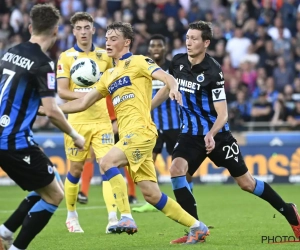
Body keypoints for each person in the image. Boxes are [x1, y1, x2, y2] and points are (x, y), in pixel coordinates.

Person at [41, 21, 211, 244]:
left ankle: (126, 217)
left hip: (141, 132)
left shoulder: (139, 61)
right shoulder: (109, 74)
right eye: (107, 38)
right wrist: (50, 110)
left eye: (113, 38)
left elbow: (167, 77)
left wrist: (175, 87)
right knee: (151, 194)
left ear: (126, 42)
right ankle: (197, 227)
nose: (107, 42)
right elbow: (83, 103)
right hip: (131, 136)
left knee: (107, 162)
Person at [151, 20, 300, 244]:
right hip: (190, 135)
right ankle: (196, 228)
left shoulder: (213, 71)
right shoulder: (178, 62)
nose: (188, 42)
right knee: (177, 170)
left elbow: (223, 114)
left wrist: (211, 133)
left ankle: (289, 211)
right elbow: (167, 88)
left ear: (206, 43)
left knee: (246, 184)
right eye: (187, 37)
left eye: (194, 39)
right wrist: (148, 108)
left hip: (217, 136)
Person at [0, 4, 85, 250]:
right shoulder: (43, 64)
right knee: (55, 195)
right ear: (56, 31)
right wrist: (74, 134)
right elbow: (51, 111)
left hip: (12, 135)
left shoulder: (10, 51)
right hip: (14, 141)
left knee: (51, 181)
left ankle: (5, 233)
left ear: (30, 27)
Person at [56, 12, 118, 233]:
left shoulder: (105, 56)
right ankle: (71, 215)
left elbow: (115, 83)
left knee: (108, 166)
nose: (83, 32)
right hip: (76, 122)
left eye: (86, 27)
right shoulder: (65, 57)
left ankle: (113, 218)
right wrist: (89, 96)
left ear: (93, 29)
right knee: (76, 168)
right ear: (73, 31)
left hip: (102, 120)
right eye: (79, 28)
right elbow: (62, 92)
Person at [132, 34, 182, 213]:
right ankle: (153, 199)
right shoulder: (145, 68)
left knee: (180, 162)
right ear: (149, 49)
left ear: (164, 48)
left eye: (159, 46)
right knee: (149, 161)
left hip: (174, 124)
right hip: (151, 124)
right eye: (152, 46)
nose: (155, 49)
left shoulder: (172, 68)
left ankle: (186, 195)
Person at [106, 95, 138, 204]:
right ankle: (115, 194)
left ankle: (132, 194)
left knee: (125, 159)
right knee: (102, 159)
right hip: (101, 121)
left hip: (119, 121)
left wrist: (116, 119)